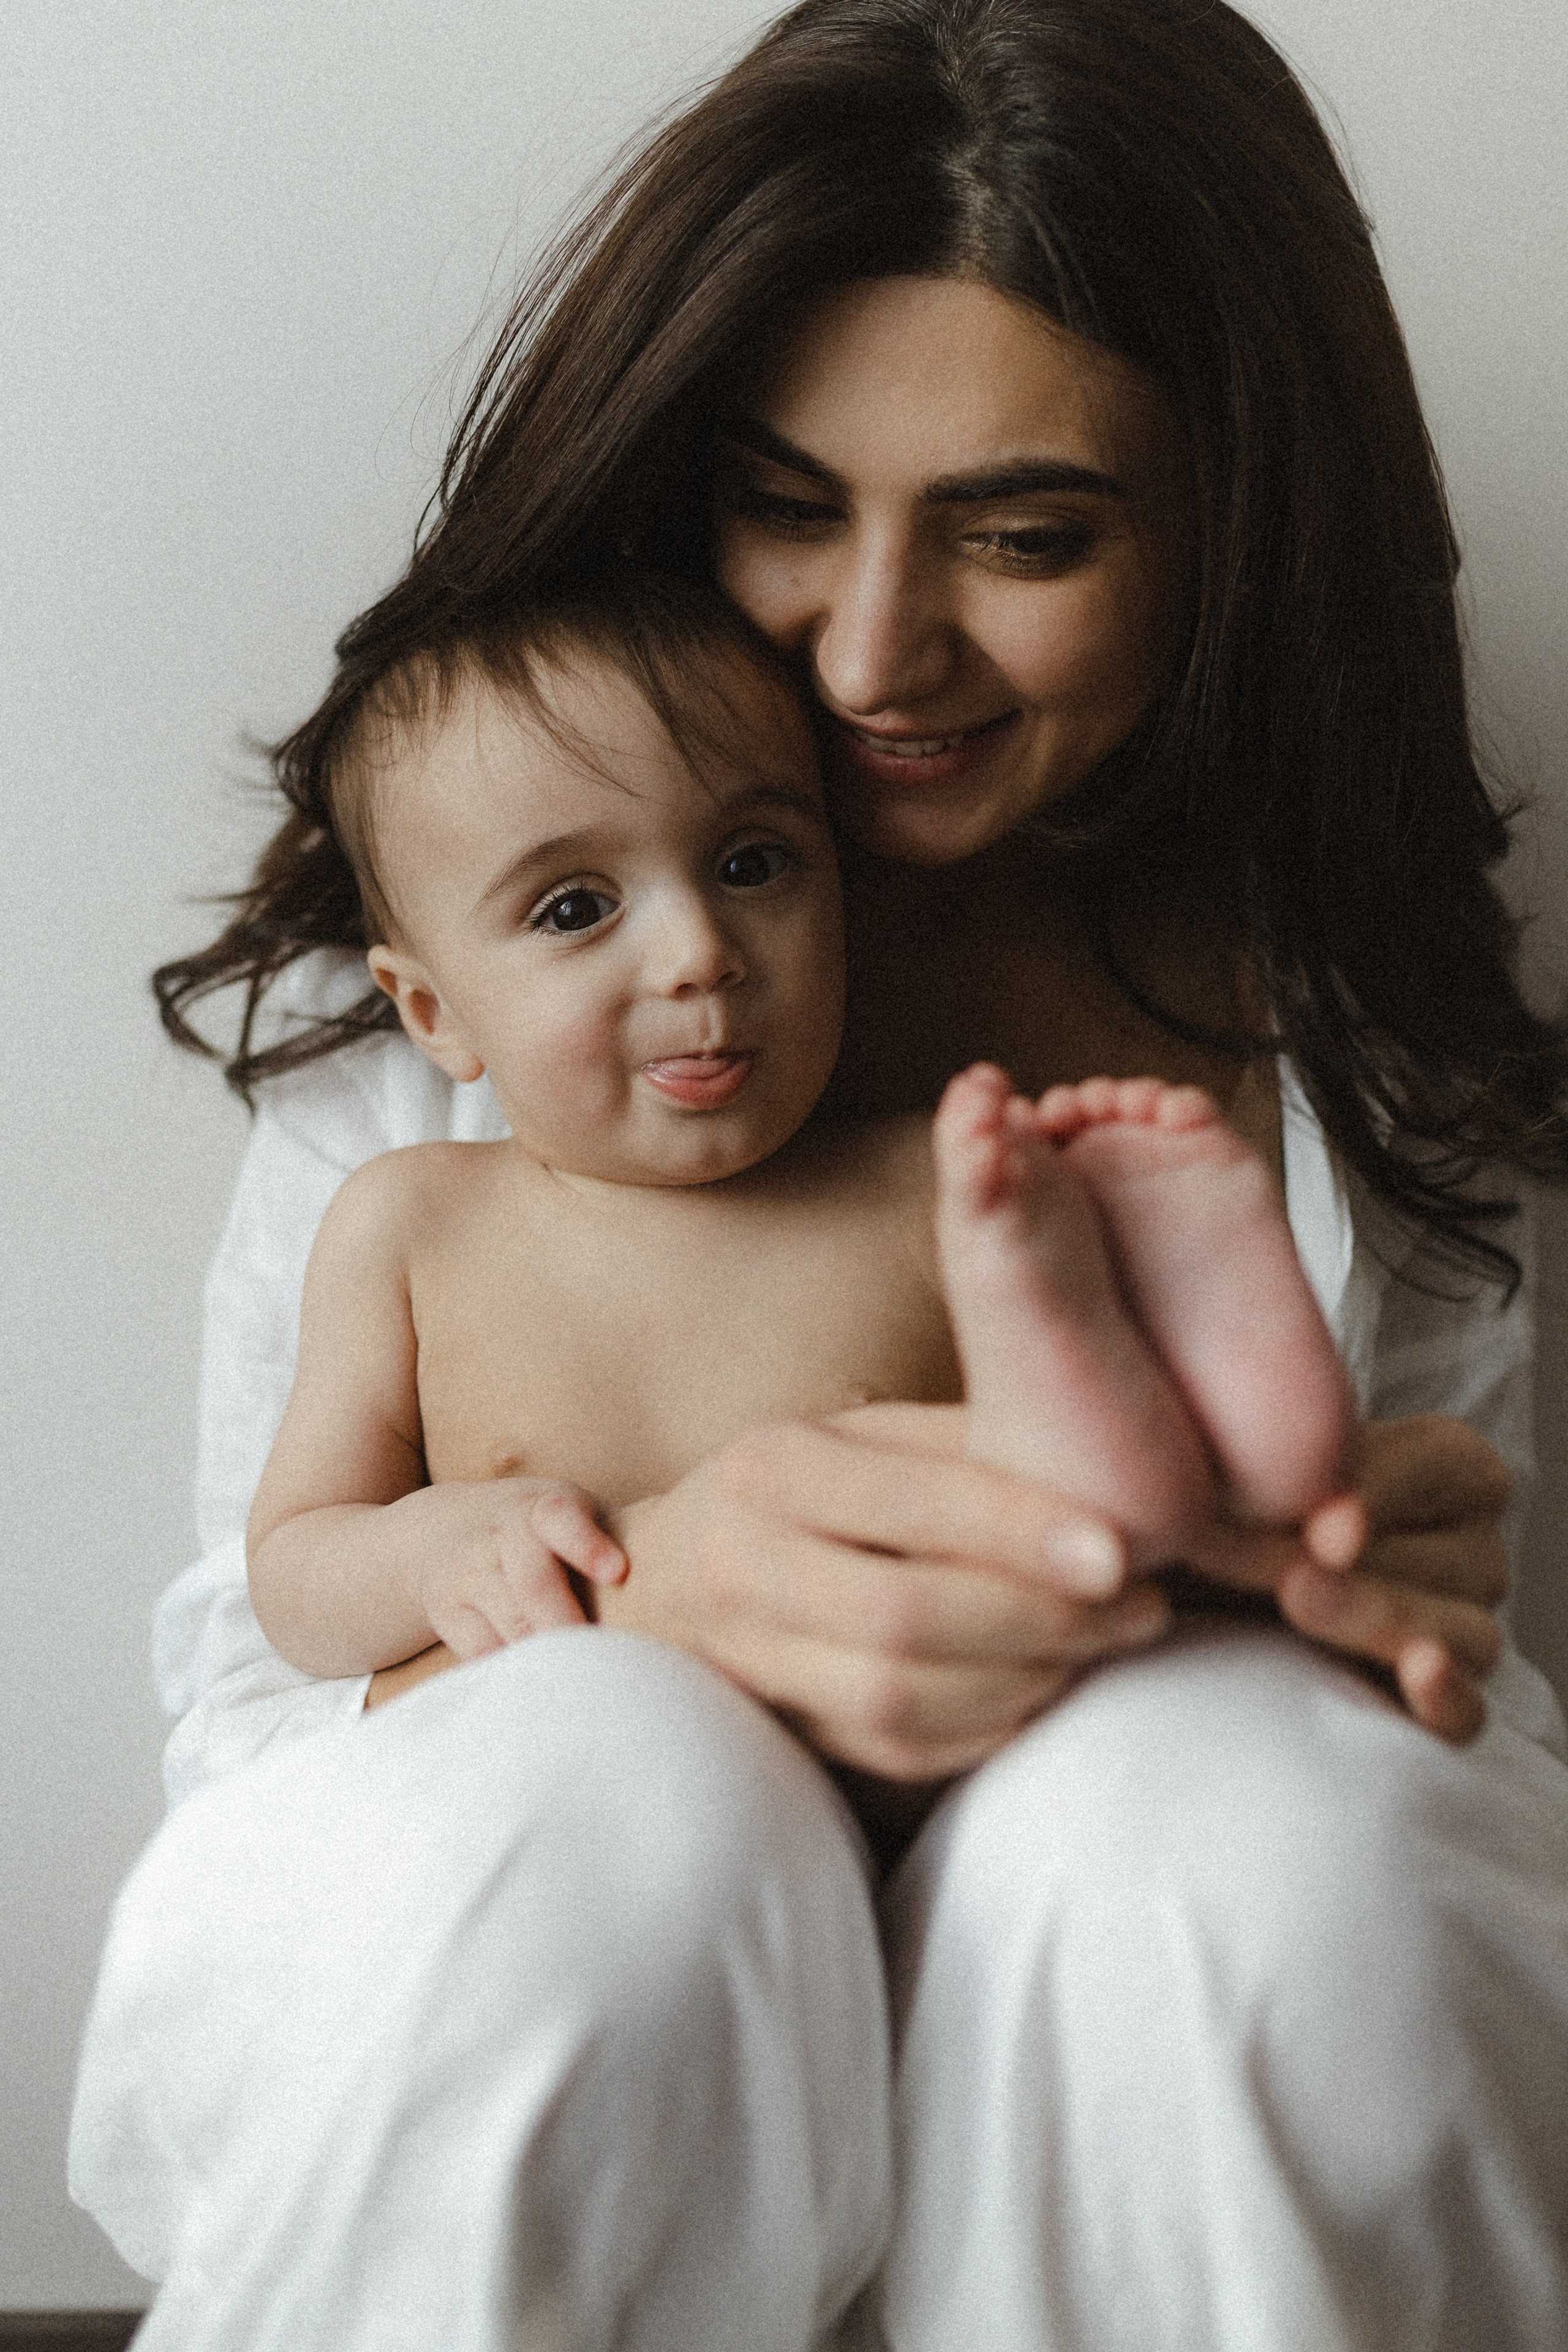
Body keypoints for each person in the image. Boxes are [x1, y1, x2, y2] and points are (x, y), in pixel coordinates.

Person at [70, 1, 1568, 2347]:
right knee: (612, 1810)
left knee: (1253, 1838)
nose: (876, 651)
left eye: (1030, 533)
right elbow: (261, 1694)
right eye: (787, 505)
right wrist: (635, 1599)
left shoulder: (1352, 1049)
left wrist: (1403, 1595)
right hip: (560, 1955)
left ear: (1234, 531)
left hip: (1150, 1976)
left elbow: (1464, 1777)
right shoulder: (477, 991)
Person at [245, 571, 1354, 1694]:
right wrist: (430, 1554)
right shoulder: (414, 1223)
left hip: (941, 1729)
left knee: (1052, 1459)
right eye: (575, 907)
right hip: (618, 1742)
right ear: (433, 1011)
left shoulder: (938, 1175)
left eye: (752, 865)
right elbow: (292, 1571)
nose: (699, 951)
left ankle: (1199, 1427)